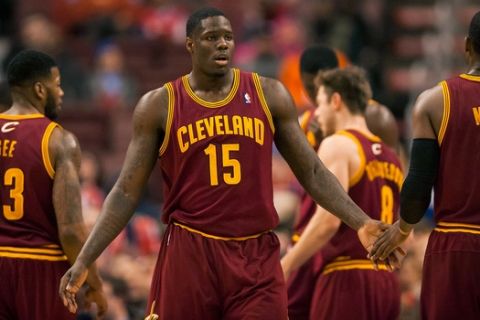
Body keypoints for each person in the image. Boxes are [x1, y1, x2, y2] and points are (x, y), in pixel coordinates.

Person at [59, 8, 394, 320]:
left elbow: (312, 171)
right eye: (211, 37)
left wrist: (360, 221)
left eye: (228, 37)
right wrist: (86, 257)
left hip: (255, 253)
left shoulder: (268, 94)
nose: (222, 43)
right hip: (190, 251)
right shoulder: (159, 105)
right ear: (190, 45)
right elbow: (125, 192)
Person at [370, 10, 480, 320]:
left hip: (457, 245)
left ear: (467, 46)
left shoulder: (436, 101)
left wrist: (403, 230)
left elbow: (418, 182)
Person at [287, 44, 404, 320]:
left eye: (321, 96)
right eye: (309, 92)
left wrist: (285, 264)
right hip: (374, 270)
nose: (316, 106)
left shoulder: (367, 123)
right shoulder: (306, 123)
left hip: (343, 259)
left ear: (336, 98)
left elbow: (329, 219)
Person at [0, 50, 106, 319]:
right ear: (39, 89)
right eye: (57, 85)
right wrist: (93, 280)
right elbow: (71, 231)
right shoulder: (58, 140)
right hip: (40, 265)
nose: (61, 93)